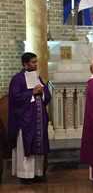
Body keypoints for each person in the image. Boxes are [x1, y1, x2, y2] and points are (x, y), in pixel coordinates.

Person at [8, 52, 51, 184]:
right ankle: (25, 175)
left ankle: (38, 173)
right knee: (25, 144)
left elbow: (47, 97)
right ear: (25, 64)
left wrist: (43, 92)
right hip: (25, 119)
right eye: (33, 62)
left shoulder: (38, 78)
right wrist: (32, 92)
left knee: (39, 145)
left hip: (38, 117)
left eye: (36, 62)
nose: (36, 64)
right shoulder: (18, 79)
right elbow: (15, 98)